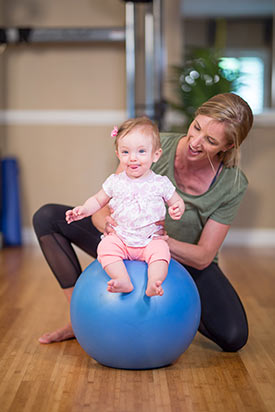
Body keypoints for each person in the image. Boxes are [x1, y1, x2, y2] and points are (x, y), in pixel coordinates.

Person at [33, 92, 253, 350]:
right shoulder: (148, 145)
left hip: (181, 258)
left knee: (234, 336)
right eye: (196, 128)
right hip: (124, 240)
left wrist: (159, 242)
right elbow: (102, 207)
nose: (195, 141)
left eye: (210, 140)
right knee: (48, 217)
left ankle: (173, 314)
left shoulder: (232, 183)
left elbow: (204, 256)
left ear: (227, 147)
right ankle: (78, 318)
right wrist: (110, 227)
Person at [65, 117, 185, 297]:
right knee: (105, 248)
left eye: (142, 151)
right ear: (118, 154)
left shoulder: (160, 183)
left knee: (161, 254)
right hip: (120, 238)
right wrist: (83, 209)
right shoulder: (115, 182)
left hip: (150, 239)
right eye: (126, 152)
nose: (133, 158)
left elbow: (176, 201)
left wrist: (177, 208)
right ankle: (122, 279)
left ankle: (154, 281)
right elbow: (98, 200)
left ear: (156, 155)